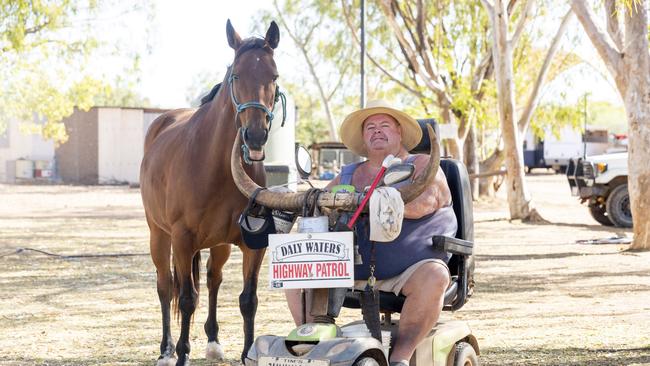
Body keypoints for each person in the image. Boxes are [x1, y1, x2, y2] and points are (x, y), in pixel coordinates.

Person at [286, 99, 457, 366]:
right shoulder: (348, 174)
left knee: (435, 275)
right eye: (370, 127)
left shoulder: (422, 164)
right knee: (296, 268)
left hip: (409, 269)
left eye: (385, 125)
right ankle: (314, 348)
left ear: (400, 133)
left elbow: (427, 200)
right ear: (364, 138)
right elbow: (320, 202)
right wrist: (305, 202)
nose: (377, 130)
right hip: (351, 266)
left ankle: (400, 358)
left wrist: (374, 201)